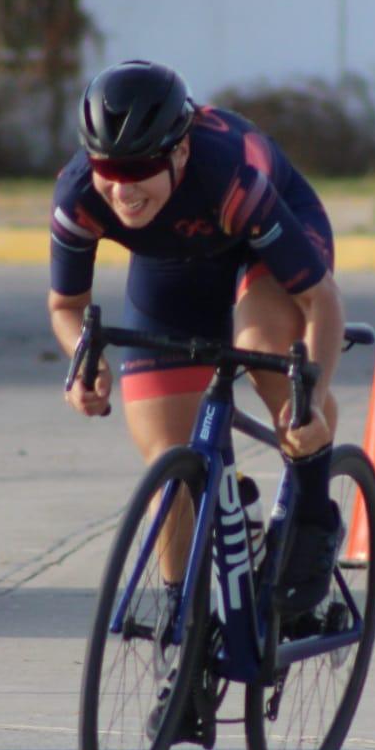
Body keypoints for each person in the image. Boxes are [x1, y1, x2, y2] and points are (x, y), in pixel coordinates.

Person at [48, 60, 347, 623]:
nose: (121, 187)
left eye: (138, 167)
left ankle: (311, 519)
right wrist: (83, 362)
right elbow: (66, 307)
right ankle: (182, 629)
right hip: (173, 265)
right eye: (106, 166)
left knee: (266, 353)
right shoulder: (80, 196)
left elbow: (320, 301)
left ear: (179, 152)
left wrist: (311, 395)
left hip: (264, 243)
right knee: (169, 460)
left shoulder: (228, 175)